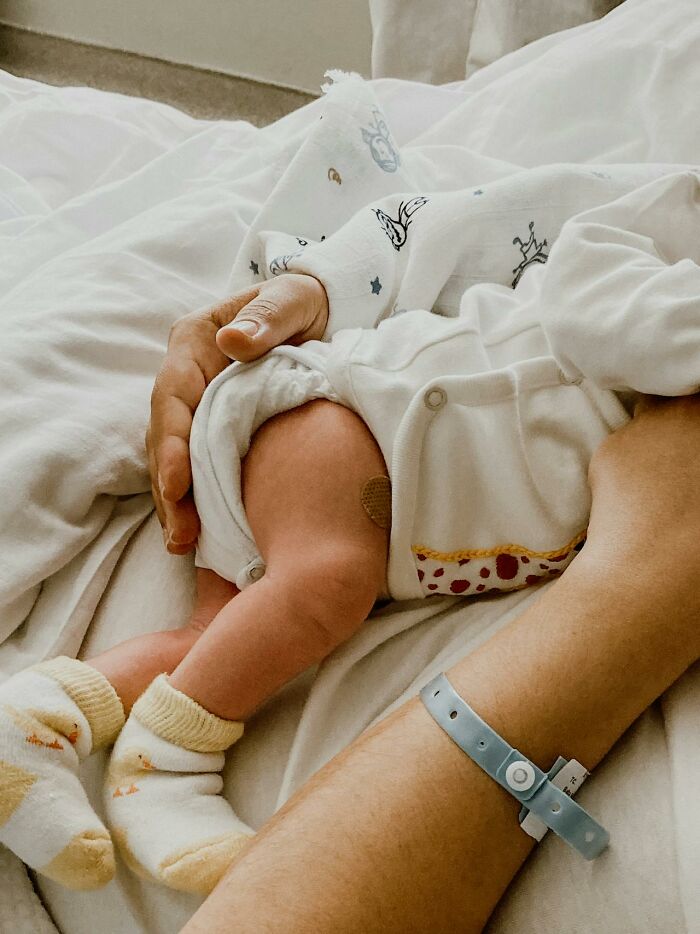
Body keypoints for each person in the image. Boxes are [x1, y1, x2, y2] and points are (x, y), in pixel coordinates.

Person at [0, 172, 698, 908]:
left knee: (222, 635)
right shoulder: (655, 238)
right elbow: (587, 280)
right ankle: (168, 767)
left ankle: (40, 720)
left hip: (378, 491)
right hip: (350, 415)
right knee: (326, 584)